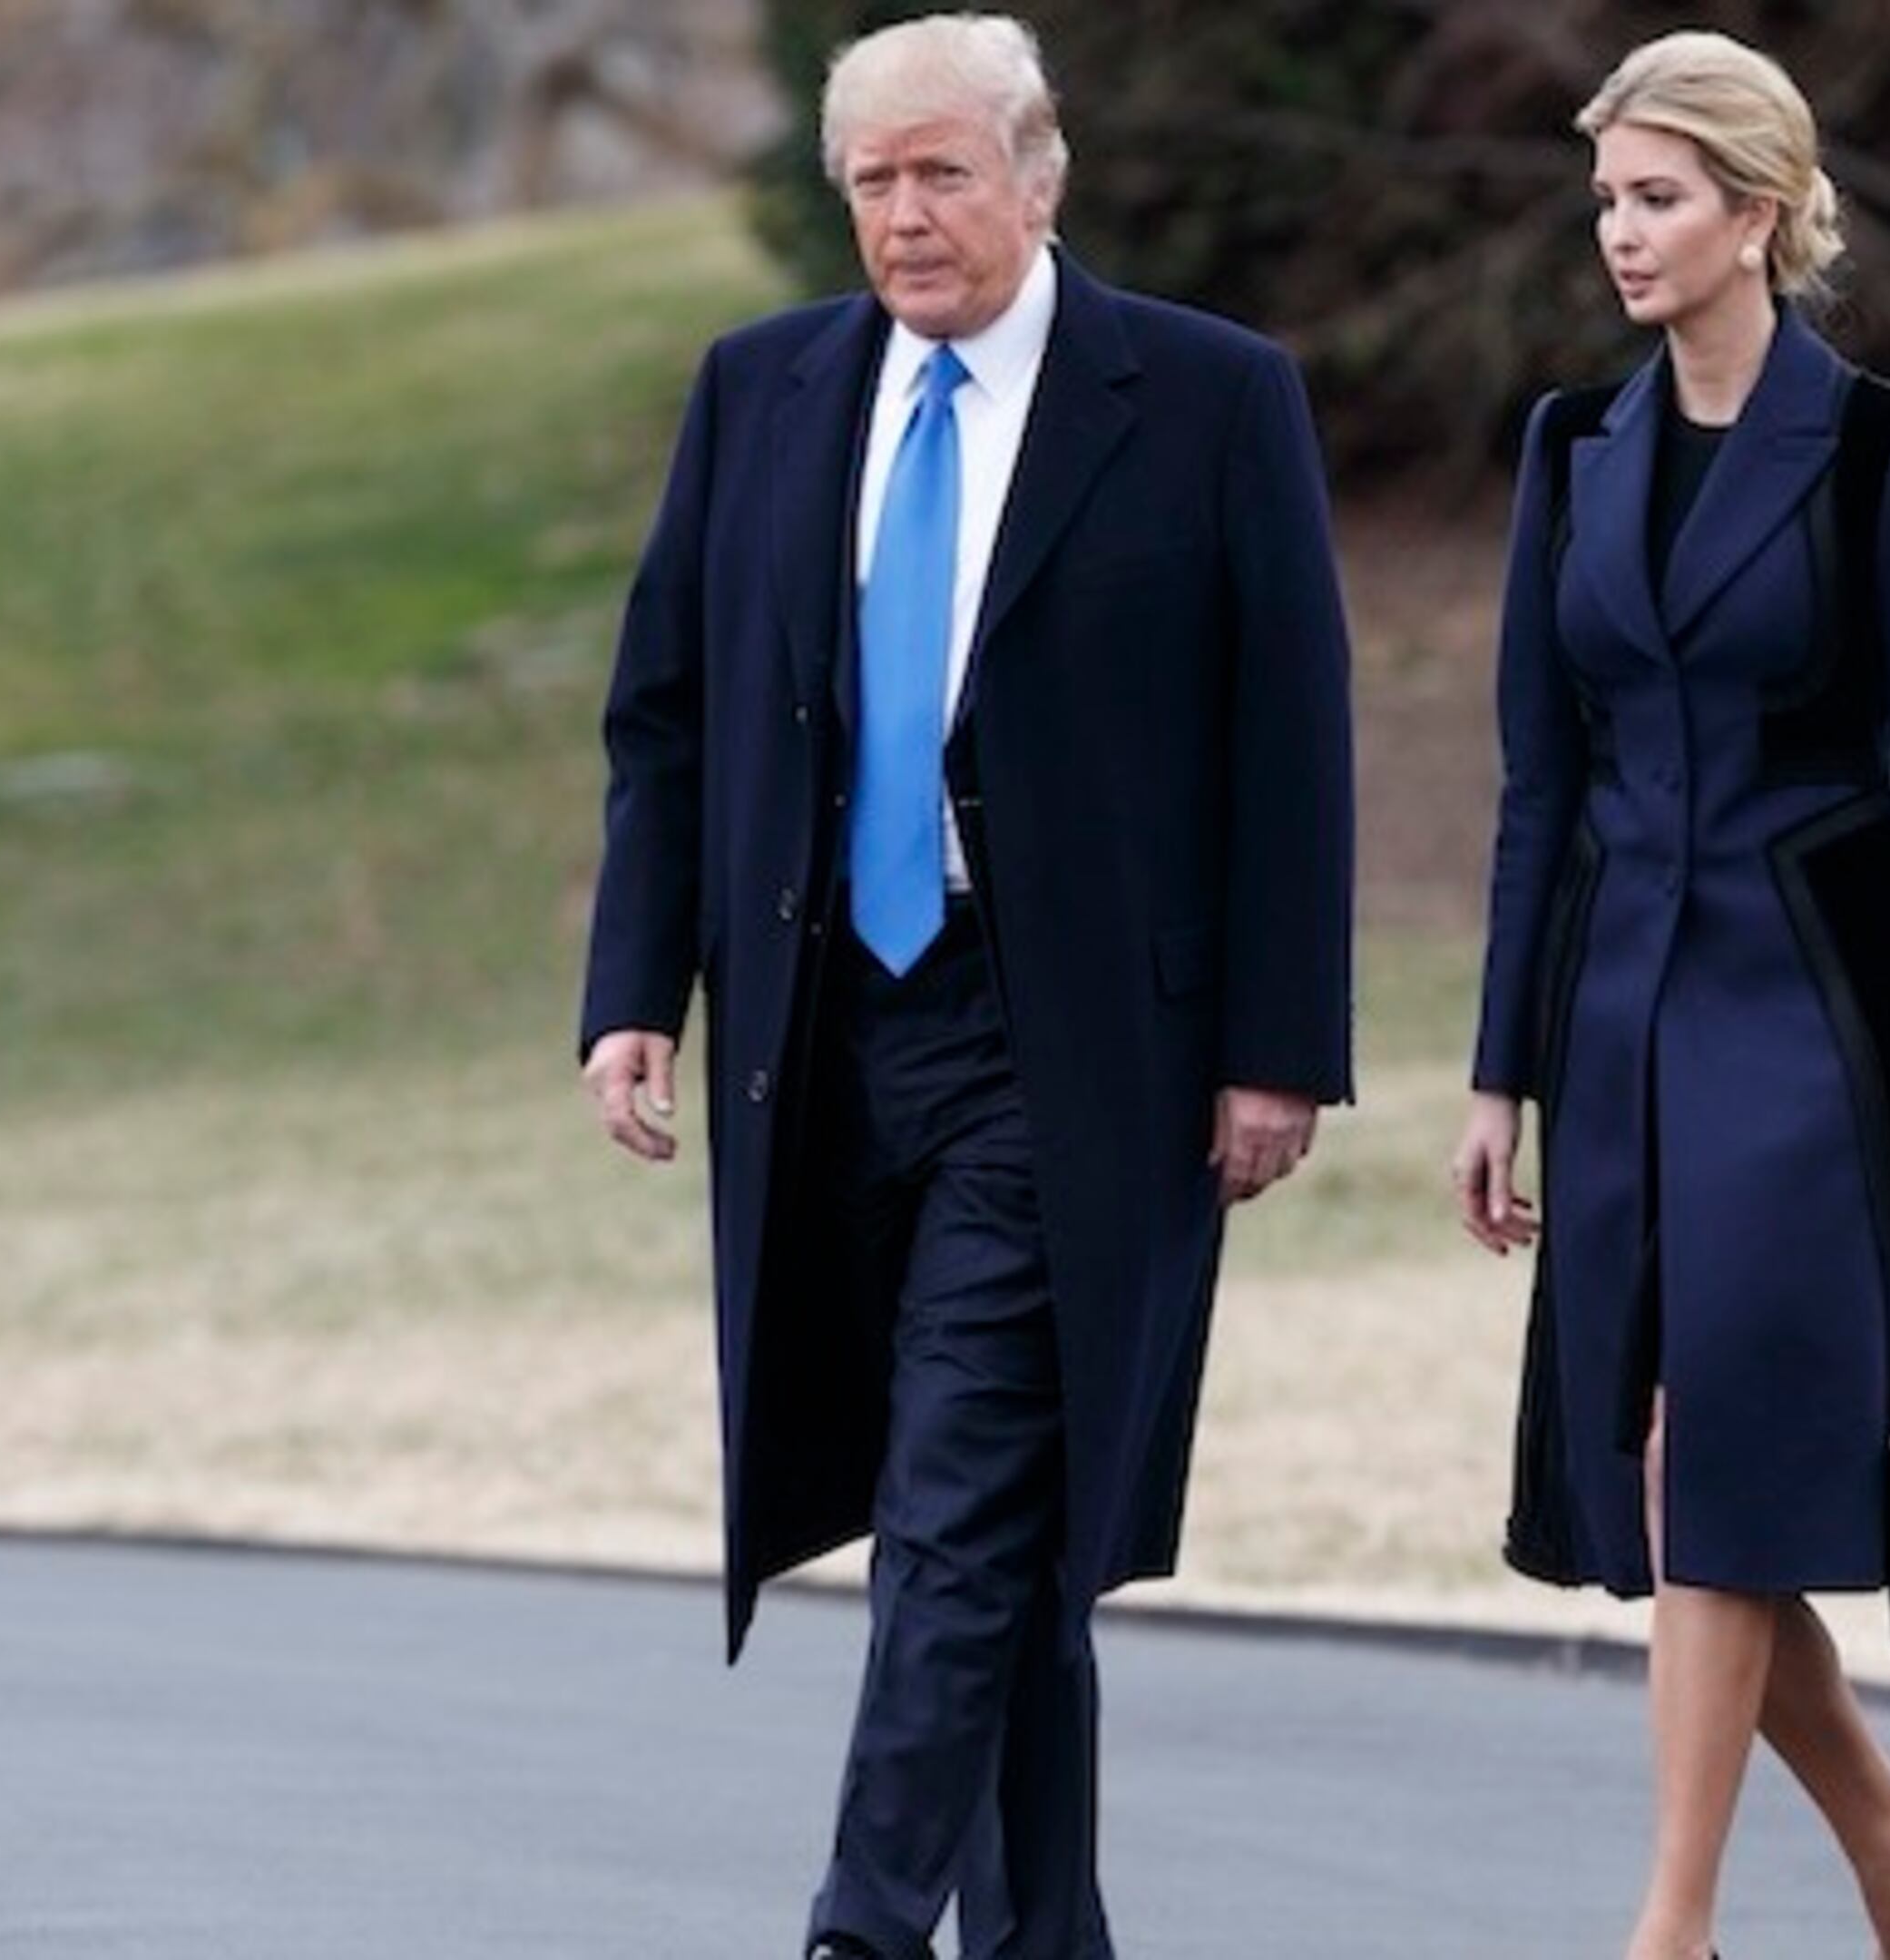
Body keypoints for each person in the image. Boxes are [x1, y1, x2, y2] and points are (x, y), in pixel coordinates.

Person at [576, 15, 1356, 1958]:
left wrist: (1280, 1049)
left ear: (1037, 175)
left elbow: (1295, 741)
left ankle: (856, 1926)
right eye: (872, 182)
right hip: (825, 1035)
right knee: (992, 1537)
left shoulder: (1200, 396)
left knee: (956, 1503)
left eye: (941, 173)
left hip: (1075, 1046)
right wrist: (632, 992)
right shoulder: (761, 393)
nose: (906, 218)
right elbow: (667, 721)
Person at [1445, 29, 1890, 1960]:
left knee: (1719, 1454)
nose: (1620, 232)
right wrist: (1497, 1073)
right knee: (1695, 1482)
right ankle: (1889, 1836)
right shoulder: (1569, 448)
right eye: (1607, 197)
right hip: (1616, 1018)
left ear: (1758, 216)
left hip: (1815, 1017)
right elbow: (1541, 779)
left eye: (1659, 196)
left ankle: (1669, 1930)